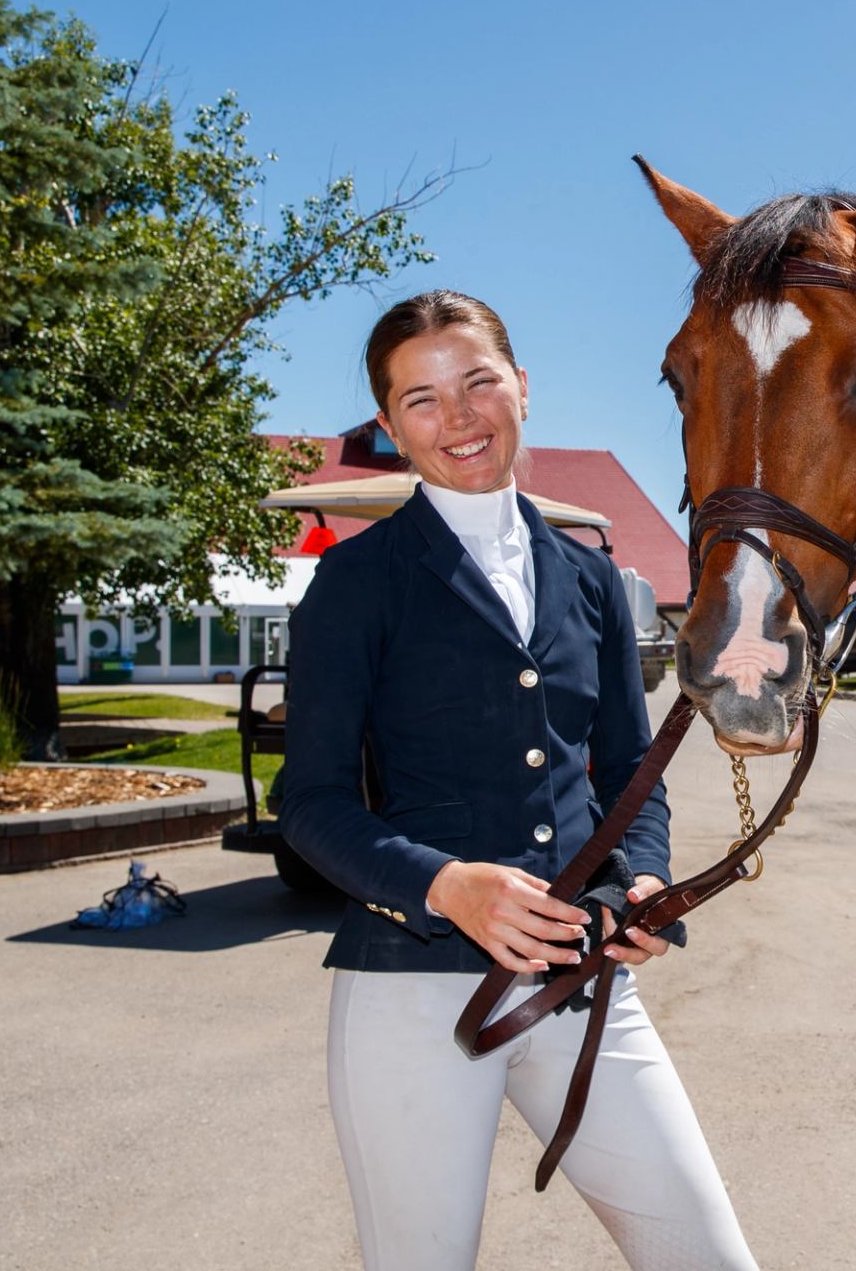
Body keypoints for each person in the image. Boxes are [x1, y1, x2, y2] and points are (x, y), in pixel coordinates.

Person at [280, 290, 757, 1271]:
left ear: (523, 389)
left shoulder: (591, 579)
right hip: (414, 999)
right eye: (421, 400)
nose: (457, 418)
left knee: (707, 1256)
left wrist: (640, 883)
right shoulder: (356, 584)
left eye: (477, 382)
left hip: (583, 986)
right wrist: (445, 884)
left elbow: (628, 771)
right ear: (390, 426)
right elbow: (312, 804)